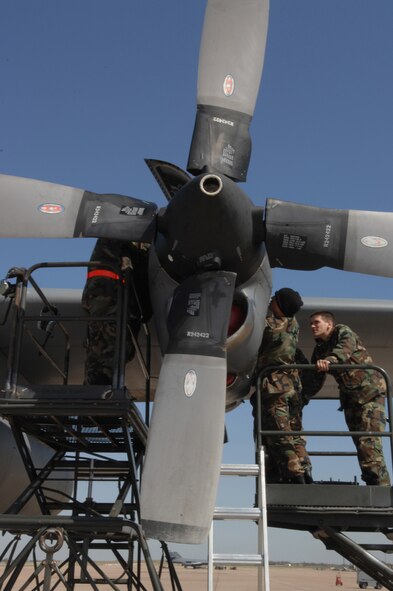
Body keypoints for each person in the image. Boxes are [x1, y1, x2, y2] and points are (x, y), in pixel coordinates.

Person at [309, 311, 390, 486]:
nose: (312, 327)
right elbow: (314, 380)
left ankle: (382, 491)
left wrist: (330, 360)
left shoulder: (342, 332)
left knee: (369, 445)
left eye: (316, 322)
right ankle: (372, 485)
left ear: (329, 324)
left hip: (370, 395)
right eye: (311, 324)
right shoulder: (320, 349)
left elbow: (343, 351)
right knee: (361, 447)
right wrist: (301, 396)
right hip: (350, 399)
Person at [251, 288, 312, 484]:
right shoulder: (293, 324)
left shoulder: (270, 326)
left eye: (275, 298)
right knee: (294, 433)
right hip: (292, 386)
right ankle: (306, 471)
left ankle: (296, 475)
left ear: (281, 305)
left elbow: (252, 325)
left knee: (279, 432)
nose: (270, 300)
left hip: (275, 387)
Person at [82, 238, 151, 386]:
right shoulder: (125, 237)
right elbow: (140, 267)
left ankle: (97, 386)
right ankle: (101, 387)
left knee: (101, 346)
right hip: (111, 296)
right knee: (113, 345)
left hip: (101, 295)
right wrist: (145, 309)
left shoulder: (114, 235)